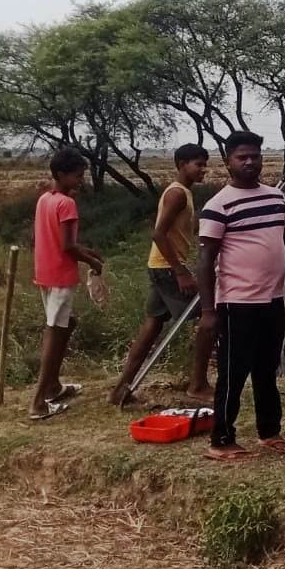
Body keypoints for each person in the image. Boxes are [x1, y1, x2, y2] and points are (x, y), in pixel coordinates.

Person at [196, 131, 285, 463]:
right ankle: (221, 439)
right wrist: (208, 310)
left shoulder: (275, 198)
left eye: (255, 156)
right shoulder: (218, 205)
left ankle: (269, 432)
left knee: (266, 370)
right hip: (236, 304)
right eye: (242, 157)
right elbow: (205, 260)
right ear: (227, 162)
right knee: (233, 373)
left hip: (272, 300)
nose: (249, 162)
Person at [109, 143, 213, 406]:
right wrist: (180, 271)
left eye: (205, 164)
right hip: (167, 269)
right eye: (198, 164)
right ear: (181, 164)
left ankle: (120, 390)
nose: (203, 169)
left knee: (152, 325)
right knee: (211, 315)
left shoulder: (183, 192)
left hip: (160, 266)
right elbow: (158, 234)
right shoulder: (177, 194)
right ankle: (198, 385)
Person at [30, 148, 103, 421]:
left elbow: (58, 241)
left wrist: (87, 251)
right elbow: (68, 247)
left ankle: (53, 386)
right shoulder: (67, 204)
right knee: (55, 330)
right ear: (61, 174)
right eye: (78, 175)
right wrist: (92, 262)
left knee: (66, 323)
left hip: (45, 272)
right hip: (61, 276)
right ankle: (38, 402)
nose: (81, 180)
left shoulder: (45, 199)